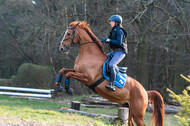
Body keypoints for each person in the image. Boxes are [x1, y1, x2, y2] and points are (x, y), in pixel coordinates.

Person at [102, 15, 128, 91]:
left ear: (116, 22)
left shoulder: (120, 30)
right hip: (114, 52)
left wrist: (109, 41)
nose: (110, 23)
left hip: (120, 52)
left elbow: (119, 43)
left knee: (111, 65)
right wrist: (106, 40)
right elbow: (112, 42)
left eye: (112, 21)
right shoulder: (114, 30)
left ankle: (112, 85)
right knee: (103, 59)